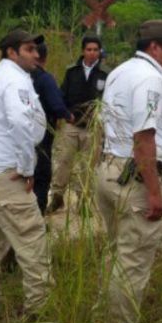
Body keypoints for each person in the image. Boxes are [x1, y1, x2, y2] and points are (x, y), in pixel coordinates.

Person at [95, 19, 162, 323]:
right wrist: (154, 191)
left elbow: (102, 121)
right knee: (133, 261)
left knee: (116, 251)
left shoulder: (120, 71)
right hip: (134, 178)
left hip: (110, 168)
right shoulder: (150, 79)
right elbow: (143, 136)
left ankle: (105, 317)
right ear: (155, 47)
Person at [0, 29, 52, 323]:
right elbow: (18, 121)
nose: (36, 54)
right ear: (12, 52)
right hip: (5, 173)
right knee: (31, 239)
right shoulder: (14, 79)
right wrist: (27, 167)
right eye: (29, 49)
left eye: (36, 49)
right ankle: (39, 311)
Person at [46, 35, 111, 214]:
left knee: (88, 168)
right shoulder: (72, 71)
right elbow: (62, 95)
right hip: (71, 125)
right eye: (89, 49)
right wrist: (64, 115)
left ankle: (84, 201)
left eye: (95, 50)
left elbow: (109, 100)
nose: (92, 53)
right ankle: (57, 198)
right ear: (83, 51)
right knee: (62, 162)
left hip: (93, 128)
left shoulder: (106, 73)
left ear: (100, 52)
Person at [31, 41, 75, 214]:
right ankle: (39, 214)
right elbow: (57, 104)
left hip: (22, 135)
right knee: (42, 174)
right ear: (45, 58)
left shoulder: (21, 76)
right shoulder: (45, 78)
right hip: (43, 134)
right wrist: (69, 116)